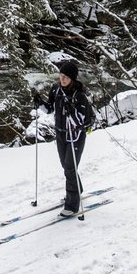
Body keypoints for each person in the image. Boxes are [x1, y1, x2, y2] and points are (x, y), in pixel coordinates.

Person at [36, 61, 95, 217]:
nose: (62, 80)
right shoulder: (56, 90)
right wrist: (39, 103)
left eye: (66, 77)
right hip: (61, 133)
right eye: (61, 76)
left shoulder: (79, 95)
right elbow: (49, 108)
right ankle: (77, 190)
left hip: (75, 135)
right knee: (66, 166)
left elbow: (81, 120)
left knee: (69, 167)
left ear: (73, 79)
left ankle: (72, 205)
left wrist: (71, 112)